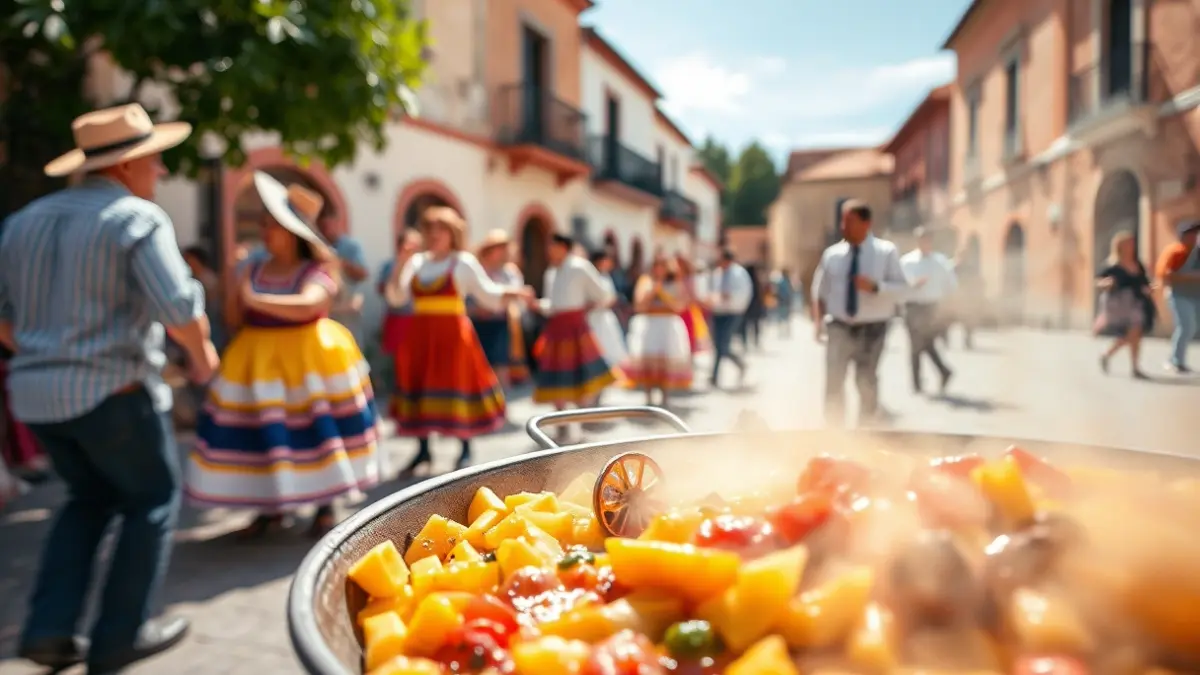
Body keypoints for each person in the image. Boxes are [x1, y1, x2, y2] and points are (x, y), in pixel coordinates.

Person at [1, 103, 217, 671]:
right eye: (156, 161)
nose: (161, 173)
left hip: (37, 399)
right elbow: (177, 307)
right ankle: (120, 635)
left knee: (87, 498)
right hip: (112, 392)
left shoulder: (22, 220)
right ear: (128, 165)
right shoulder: (135, 217)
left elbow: (3, 317)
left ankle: (48, 629)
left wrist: (45, 354)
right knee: (152, 500)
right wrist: (203, 357)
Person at [187, 174, 379, 538]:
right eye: (263, 224)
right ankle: (269, 507)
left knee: (317, 432)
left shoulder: (317, 270)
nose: (264, 231)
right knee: (264, 435)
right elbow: (233, 317)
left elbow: (311, 302)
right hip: (258, 362)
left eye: (271, 224)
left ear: (293, 232)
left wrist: (255, 298)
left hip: (310, 362)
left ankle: (325, 504)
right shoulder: (253, 268)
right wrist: (235, 280)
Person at [385, 207, 530, 474]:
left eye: (441, 230)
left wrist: (516, 292)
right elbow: (396, 298)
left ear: (453, 234)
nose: (435, 235)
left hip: (453, 337)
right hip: (421, 337)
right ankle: (423, 450)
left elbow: (489, 294)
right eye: (430, 229)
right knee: (420, 389)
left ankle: (464, 449)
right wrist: (400, 264)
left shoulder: (462, 262)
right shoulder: (417, 263)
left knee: (458, 387)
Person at [812, 200, 912, 428]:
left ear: (866, 223)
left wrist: (877, 287)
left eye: (849, 221)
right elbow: (819, 290)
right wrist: (818, 322)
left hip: (873, 327)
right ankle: (834, 432)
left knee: (866, 380)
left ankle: (865, 434)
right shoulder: (832, 254)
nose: (843, 227)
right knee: (834, 381)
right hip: (838, 326)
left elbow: (904, 289)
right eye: (842, 221)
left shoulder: (886, 252)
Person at [533, 234, 619, 435]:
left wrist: (587, 308)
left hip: (575, 328)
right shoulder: (552, 272)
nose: (548, 251)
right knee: (556, 378)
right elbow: (552, 305)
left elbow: (602, 295)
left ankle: (582, 420)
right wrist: (535, 304)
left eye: (552, 246)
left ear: (563, 247)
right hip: (556, 329)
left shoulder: (580, 267)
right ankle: (561, 422)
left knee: (581, 378)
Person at [625, 254, 693, 407]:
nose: (660, 269)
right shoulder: (645, 282)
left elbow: (680, 305)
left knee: (665, 363)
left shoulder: (675, 282)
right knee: (649, 363)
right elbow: (639, 306)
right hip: (650, 324)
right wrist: (654, 291)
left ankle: (665, 397)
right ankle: (648, 397)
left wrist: (664, 296)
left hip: (667, 325)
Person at [899, 227, 957, 394]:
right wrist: (913, 285)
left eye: (927, 240)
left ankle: (943, 372)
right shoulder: (907, 261)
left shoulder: (941, 262)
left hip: (932, 308)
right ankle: (918, 382)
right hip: (913, 306)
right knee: (916, 345)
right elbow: (899, 285)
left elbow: (951, 285)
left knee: (925, 344)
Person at [472, 229, 529, 389]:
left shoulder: (510, 272)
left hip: (500, 324)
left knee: (501, 364)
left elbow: (515, 296)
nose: (505, 252)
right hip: (477, 323)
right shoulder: (477, 270)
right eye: (501, 248)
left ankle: (501, 402)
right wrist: (476, 309)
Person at [1095, 231, 1152, 379]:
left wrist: (1148, 288)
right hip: (1118, 302)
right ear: (1119, 246)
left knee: (1136, 332)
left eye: (1132, 244)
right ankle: (1109, 356)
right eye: (1128, 244)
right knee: (1131, 334)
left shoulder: (1138, 264)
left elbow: (1144, 281)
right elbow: (1099, 281)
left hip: (1136, 302)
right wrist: (1106, 283)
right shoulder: (1112, 265)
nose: (1131, 247)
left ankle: (1134, 367)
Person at [377, 228, 423, 399]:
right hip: (399, 318)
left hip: (418, 319)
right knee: (400, 359)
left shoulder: (423, 265)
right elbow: (385, 290)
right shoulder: (390, 265)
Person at [704, 248, 753, 388]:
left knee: (723, 345)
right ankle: (715, 376)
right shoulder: (718, 273)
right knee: (717, 345)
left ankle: (739, 364)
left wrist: (728, 297)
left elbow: (741, 293)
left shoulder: (738, 273)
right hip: (718, 312)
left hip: (732, 313)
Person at [1156, 219, 1200, 374]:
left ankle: (1177, 359)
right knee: (1186, 327)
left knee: (1192, 328)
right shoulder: (1175, 251)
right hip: (1178, 294)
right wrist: (1191, 277)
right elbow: (1165, 274)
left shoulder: (1197, 252)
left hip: (1196, 295)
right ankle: (1175, 360)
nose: (1194, 237)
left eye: (1195, 234)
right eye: (1191, 234)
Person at [587, 248, 630, 399]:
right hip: (593, 321)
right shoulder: (590, 276)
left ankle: (600, 391)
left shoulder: (606, 276)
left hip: (604, 321)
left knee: (607, 356)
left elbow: (610, 297)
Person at [320, 212, 368, 343]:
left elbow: (363, 274)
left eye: (329, 224)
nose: (327, 228)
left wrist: (341, 263)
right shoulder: (316, 247)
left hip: (347, 311)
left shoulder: (350, 246)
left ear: (337, 223)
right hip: (328, 314)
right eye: (323, 225)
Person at [675, 255, 712, 360]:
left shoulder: (689, 279)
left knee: (688, 339)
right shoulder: (675, 279)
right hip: (678, 311)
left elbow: (693, 296)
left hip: (687, 311)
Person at [739, 264, 766, 350]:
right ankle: (755, 341)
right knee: (755, 325)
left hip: (747, 306)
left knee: (745, 325)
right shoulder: (756, 282)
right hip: (755, 306)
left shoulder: (746, 282)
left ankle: (745, 342)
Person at [774, 269, 796, 337]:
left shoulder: (781, 282)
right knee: (786, 318)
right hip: (785, 302)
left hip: (782, 302)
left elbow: (777, 292)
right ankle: (786, 332)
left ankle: (783, 332)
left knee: (782, 317)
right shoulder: (787, 282)